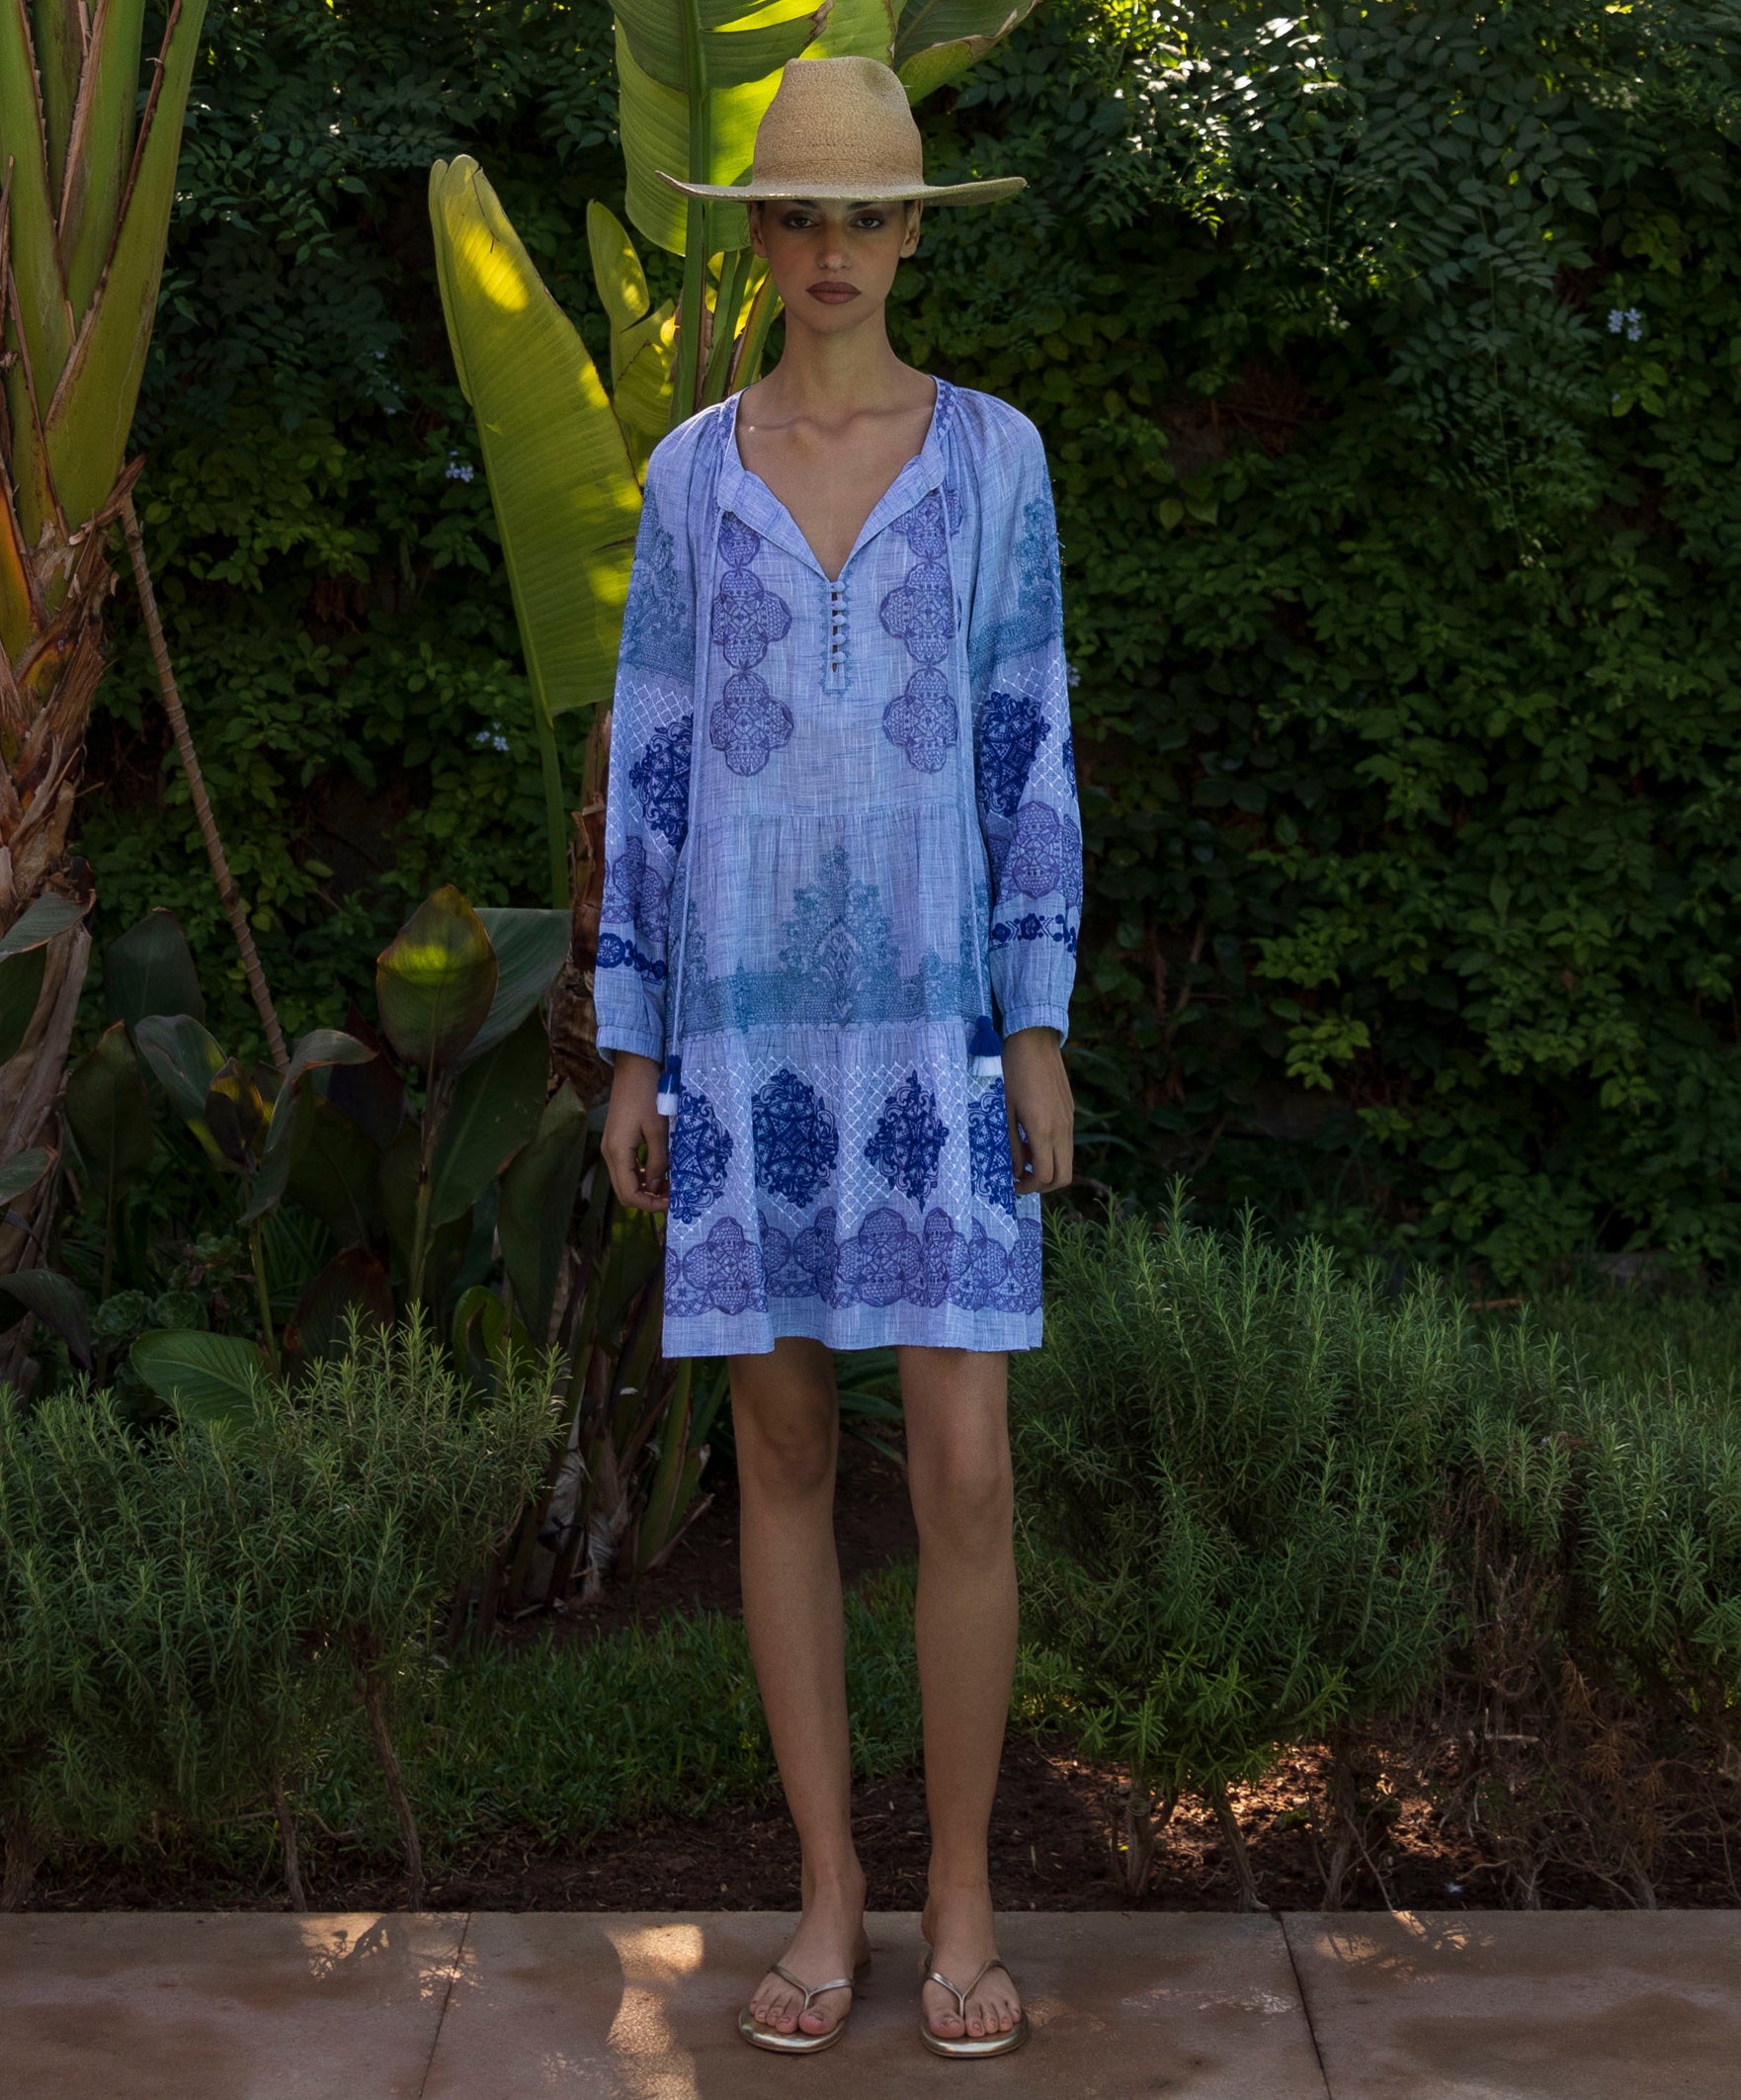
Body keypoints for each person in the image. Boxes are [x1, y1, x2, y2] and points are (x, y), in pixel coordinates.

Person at [594, 53, 1081, 2059]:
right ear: (763, 241)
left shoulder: (994, 461)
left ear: (907, 238)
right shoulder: (686, 476)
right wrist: (630, 1049)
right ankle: (828, 1892)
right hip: (741, 1030)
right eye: (790, 217)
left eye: (856, 216)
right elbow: (639, 770)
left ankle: (965, 1893)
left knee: (960, 1463)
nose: (822, 250)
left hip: (934, 1032)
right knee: (779, 1453)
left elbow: (1026, 741)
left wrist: (1034, 1022)